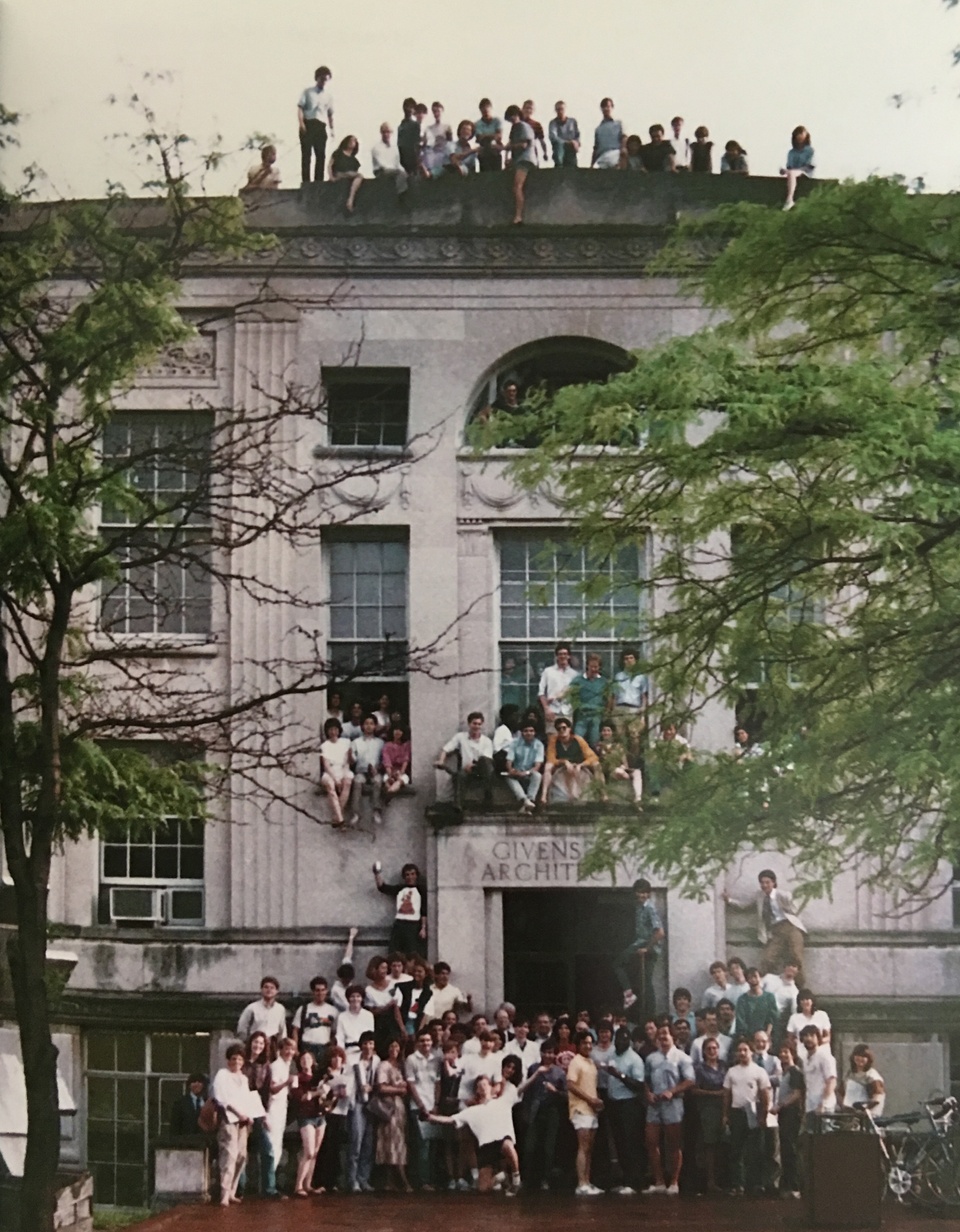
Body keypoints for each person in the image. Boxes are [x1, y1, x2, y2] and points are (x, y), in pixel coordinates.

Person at [429, 1075, 521, 1195]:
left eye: (485, 1084)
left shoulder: (502, 1102)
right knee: (482, 1188)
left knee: (508, 1146)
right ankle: (501, 1177)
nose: (483, 1088)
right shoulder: (471, 1111)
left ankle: (516, 1179)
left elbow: (519, 1088)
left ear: (491, 1087)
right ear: (477, 1090)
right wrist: (431, 1118)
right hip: (486, 1149)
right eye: (479, 1086)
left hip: (502, 1142)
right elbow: (450, 1120)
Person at [724, 869, 807, 980]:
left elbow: (796, 908)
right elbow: (745, 905)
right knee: (767, 959)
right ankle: (766, 984)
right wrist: (729, 900)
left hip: (790, 927)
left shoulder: (782, 895)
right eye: (762, 883)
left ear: (773, 883)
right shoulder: (759, 896)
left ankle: (799, 987)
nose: (764, 885)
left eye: (767, 882)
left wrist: (789, 903)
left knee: (795, 957)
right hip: (775, 931)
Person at [212, 1043, 266, 1207]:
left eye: (240, 1059)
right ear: (228, 1060)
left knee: (242, 1156)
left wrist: (250, 1116)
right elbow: (222, 1099)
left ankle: (232, 1192)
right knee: (230, 1155)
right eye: (233, 1058)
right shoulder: (222, 1075)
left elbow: (248, 1100)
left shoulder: (243, 1079)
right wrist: (238, 1113)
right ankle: (223, 1194)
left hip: (243, 1122)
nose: (236, 1062)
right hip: (228, 1120)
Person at [644, 1024, 695, 1195]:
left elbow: (690, 1080)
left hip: (673, 1104)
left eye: (666, 1034)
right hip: (655, 1104)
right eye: (660, 1034)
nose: (663, 1037)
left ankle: (674, 1182)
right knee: (652, 1141)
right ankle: (658, 1181)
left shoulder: (682, 1057)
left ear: (673, 1036)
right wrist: (648, 1093)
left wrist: (672, 1091)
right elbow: (645, 1080)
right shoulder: (651, 1058)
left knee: (674, 1143)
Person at [600, 1026, 647, 1194]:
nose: (622, 1042)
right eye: (619, 1039)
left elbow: (639, 1085)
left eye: (625, 1039)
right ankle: (625, 1178)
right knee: (619, 1142)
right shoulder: (611, 1056)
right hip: (614, 1104)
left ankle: (634, 1182)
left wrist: (620, 1075)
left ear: (630, 1041)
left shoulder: (635, 1059)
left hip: (629, 1105)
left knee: (631, 1142)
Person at [722, 1039, 771, 1196]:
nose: (742, 1053)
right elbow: (726, 1094)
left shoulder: (759, 1071)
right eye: (740, 1050)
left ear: (751, 1052)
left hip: (753, 1112)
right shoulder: (732, 1072)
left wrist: (763, 1115)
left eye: (745, 1050)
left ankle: (756, 1183)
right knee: (736, 1149)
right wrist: (725, 1115)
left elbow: (765, 1094)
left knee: (755, 1149)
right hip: (737, 1112)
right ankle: (738, 1184)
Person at [613, 877, 664, 1016]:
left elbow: (660, 933)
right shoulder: (638, 906)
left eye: (644, 893)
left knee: (620, 965)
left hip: (647, 944)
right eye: (639, 892)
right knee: (641, 979)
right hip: (640, 942)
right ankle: (631, 996)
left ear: (648, 894)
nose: (641, 895)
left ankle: (648, 1013)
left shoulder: (649, 908)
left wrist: (647, 947)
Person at [566, 1030, 604, 1195]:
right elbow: (571, 1085)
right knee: (583, 1146)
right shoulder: (576, 1062)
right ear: (578, 1045)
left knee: (589, 1148)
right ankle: (581, 1183)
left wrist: (596, 1101)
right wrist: (589, 1099)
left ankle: (587, 1182)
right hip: (580, 1109)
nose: (588, 1046)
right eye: (584, 1043)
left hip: (592, 1110)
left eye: (590, 1043)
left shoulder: (590, 1062)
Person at [435, 711, 495, 810]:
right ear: (469, 724)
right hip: (466, 770)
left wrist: (472, 766)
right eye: (474, 723)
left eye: (479, 724)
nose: (476, 726)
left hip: (481, 770)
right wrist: (441, 760)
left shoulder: (487, 741)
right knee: (460, 775)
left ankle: (488, 799)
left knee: (485, 762)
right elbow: (445, 749)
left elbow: (486, 759)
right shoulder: (461, 737)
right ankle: (458, 806)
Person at [406, 1028, 440, 1190]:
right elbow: (411, 1085)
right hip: (418, 1107)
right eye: (422, 1041)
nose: (425, 1043)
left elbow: (438, 1083)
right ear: (417, 1043)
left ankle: (430, 1178)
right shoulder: (411, 1060)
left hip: (433, 1106)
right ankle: (422, 1181)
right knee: (422, 1145)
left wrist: (436, 1104)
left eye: (428, 1040)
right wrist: (421, 1106)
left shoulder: (436, 1059)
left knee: (432, 1145)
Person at [375, 1038, 411, 1190]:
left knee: (398, 1142)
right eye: (391, 1046)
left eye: (397, 1046)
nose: (394, 1049)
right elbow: (381, 1087)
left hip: (400, 1107)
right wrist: (399, 1090)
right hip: (389, 1106)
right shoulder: (384, 1065)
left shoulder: (401, 1065)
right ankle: (402, 1180)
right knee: (391, 1143)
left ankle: (391, 1181)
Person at [693, 1036, 727, 1193]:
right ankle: (710, 1181)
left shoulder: (724, 1067)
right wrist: (715, 1093)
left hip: (726, 1108)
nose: (712, 1051)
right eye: (709, 1049)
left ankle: (725, 1179)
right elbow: (694, 1090)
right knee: (710, 1145)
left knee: (724, 1144)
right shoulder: (699, 1069)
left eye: (715, 1048)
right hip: (708, 1109)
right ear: (704, 1052)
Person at [290, 1049, 326, 1197]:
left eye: (308, 1059)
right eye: (303, 1060)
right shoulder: (297, 1078)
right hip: (306, 1116)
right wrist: (316, 1092)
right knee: (309, 1151)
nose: (306, 1062)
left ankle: (308, 1184)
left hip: (320, 1116)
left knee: (315, 1152)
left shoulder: (318, 1078)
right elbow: (301, 1097)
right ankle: (298, 1185)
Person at [346, 1032, 379, 1193]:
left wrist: (372, 1088)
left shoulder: (377, 1061)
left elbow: (380, 1082)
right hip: (357, 1103)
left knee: (368, 1143)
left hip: (372, 1104)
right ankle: (352, 1180)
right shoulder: (353, 1061)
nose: (368, 1047)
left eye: (371, 1043)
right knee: (356, 1142)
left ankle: (363, 1178)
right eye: (365, 1043)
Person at [752, 1030, 783, 1196]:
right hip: (752, 1106)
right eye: (757, 1041)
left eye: (763, 1041)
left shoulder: (775, 1060)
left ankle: (772, 1183)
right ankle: (757, 1183)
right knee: (756, 1145)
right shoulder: (748, 1059)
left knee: (772, 1147)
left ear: (769, 1043)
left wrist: (760, 1078)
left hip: (771, 1107)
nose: (760, 1044)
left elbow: (779, 1079)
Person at [543, 717, 600, 804]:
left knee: (597, 765)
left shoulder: (578, 739)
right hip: (561, 767)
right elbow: (551, 758)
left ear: (569, 729)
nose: (562, 730)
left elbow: (592, 757)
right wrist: (564, 762)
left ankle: (603, 793)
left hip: (578, 765)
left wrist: (581, 765)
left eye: (564, 728)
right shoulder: (554, 740)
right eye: (559, 729)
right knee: (548, 766)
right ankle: (544, 796)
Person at [265, 1038, 296, 1195]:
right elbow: (272, 1089)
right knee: (272, 1146)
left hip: (281, 1110)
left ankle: (271, 1184)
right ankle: (268, 1186)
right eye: (287, 1049)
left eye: (292, 1049)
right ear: (280, 1050)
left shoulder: (286, 1066)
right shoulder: (276, 1066)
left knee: (277, 1145)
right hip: (273, 1110)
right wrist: (286, 1083)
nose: (290, 1052)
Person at [297, 66, 334, 183]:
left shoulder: (328, 96)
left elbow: (330, 114)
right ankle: (306, 181)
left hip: (321, 125)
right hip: (309, 122)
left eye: (326, 79)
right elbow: (300, 108)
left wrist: (332, 129)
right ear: (317, 78)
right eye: (322, 79)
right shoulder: (308, 92)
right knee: (307, 154)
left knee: (320, 155)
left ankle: (318, 181)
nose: (323, 82)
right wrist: (301, 123)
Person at [292, 977, 339, 1063]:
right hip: (307, 1047)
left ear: (326, 991)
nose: (320, 993)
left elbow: (334, 1033)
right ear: (313, 992)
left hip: (324, 1048)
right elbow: (295, 1030)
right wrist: (295, 1049)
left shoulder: (333, 1011)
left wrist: (331, 1049)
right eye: (317, 990)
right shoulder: (303, 1009)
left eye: (323, 990)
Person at [777, 1045, 803, 1198]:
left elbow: (797, 1094)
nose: (783, 1055)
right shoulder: (784, 1073)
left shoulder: (794, 1072)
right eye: (781, 1052)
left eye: (786, 1052)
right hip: (784, 1114)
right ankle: (787, 1185)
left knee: (791, 1149)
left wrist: (781, 1105)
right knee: (786, 1149)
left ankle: (794, 1186)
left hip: (792, 1114)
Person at [364, 955, 404, 1056]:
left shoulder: (393, 986)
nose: (385, 971)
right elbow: (372, 1011)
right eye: (382, 968)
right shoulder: (369, 990)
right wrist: (387, 1006)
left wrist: (402, 1028)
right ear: (375, 969)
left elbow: (396, 1009)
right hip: (378, 1025)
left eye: (386, 968)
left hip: (392, 1024)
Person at [799, 1025, 837, 1129]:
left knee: (824, 1139)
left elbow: (831, 1081)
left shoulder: (825, 1056)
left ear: (818, 1038)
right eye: (805, 1036)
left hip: (824, 1107)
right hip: (810, 1106)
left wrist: (823, 1103)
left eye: (812, 1035)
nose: (808, 1039)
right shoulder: (805, 1059)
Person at [596, 720, 642, 805]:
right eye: (604, 730)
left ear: (612, 732)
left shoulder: (618, 746)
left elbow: (624, 761)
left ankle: (638, 798)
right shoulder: (598, 746)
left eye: (608, 730)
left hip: (621, 769)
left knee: (637, 772)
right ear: (601, 733)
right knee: (617, 771)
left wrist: (624, 767)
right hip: (609, 771)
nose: (606, 733)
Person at [504, 104, 536, 225]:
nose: (512, 120)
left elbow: (523, 145)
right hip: (518, 160)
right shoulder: (514, 129)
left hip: (525, 160)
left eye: (512, 117)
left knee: (517, 186)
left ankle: (518, 216)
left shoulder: (523, 126)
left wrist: (506, 147)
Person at [503, 719, 544, 813]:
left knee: (537, 775)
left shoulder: (539, 745)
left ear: (535, 732)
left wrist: (526, 773)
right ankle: (525, 800)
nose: (528, 733)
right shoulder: (514, 743)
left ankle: (529, 800)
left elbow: (537, 765)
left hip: (529, 773)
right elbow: (509, 761)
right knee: (508, 776)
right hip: (517, 772)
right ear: (521, 732)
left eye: (531, 731)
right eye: (526, 731)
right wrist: (511, 770)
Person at [319, 717, 354, 827]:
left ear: (339, 730)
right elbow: (326, 765)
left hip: (343, 770)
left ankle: (337, 817)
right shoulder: (324, 746)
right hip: (331, 773)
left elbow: (349, 762)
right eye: (330, 730)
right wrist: (336, 779)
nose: (333, 732)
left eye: (335, 729)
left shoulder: (346, 742)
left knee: (348, 781)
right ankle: (340, 818)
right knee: (330, 786)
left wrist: (350, 756)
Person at [570, 653, 608, 746]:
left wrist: (605, 712)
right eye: (592, 666)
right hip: (582, 715)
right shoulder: (578, 680)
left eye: (596, 667)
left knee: (595, 741)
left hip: (596, 716)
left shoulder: (603, 681)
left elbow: (608, 698)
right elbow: (572, 696)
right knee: (578, 739)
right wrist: (577, 707)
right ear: (587, 666)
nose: (594, 669)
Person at [538, 642, 578, 726]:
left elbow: (576, 695)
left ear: (569, 656)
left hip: (568, 712)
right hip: (552, 711)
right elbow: (541, 693)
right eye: (560, 654)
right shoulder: (548, 672)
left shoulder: (574, 674)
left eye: (565, 654)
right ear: (556, 656)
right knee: (552, 738)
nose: (562, 656)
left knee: (566, 738)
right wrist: (546, 709)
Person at [734, 967, 780, 1041]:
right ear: (747, 980)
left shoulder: (769, 997)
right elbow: (741, 1021)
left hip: (767, 1037)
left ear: (760, 978)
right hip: (749, 1038)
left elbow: (773, 1018)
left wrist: (767, 1035)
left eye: (755, 976)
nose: (753, 980)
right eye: (750, 978)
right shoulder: (742, 999)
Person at [237, 976, 287, 1043]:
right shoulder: (252, 1008)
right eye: (266, 987)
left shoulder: (280, 1009)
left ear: (276, 991)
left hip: (272, 1044)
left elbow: (282, 1030)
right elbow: (242, 1028)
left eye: (272, 988)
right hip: (256, 1044)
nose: (269, 990)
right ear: (261, 989)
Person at [335, 985, 375, 1065]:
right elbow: (340, 1038)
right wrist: (342, 1055)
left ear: (362, 998)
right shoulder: (342, 1016)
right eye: (352, 997)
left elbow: (370, 1037)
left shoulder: (368, 1015)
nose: (355, 999)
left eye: (358, 996)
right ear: (348, 999)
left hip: (365, 1051)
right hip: (349, 1052)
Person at [841, 1044, 885, 1115]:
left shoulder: (872, 1076)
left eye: (864, 1056)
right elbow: (840, 1091)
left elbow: (877, 1097)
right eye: (857, 1055)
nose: (860, 1058)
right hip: (849, 1113)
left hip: (866, 1115)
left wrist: (864, 1110)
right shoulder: (849, 1074)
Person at [371, 122, 409, 196]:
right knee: (399, 173)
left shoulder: (394, 148)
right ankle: (399, 193)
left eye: (388, 132)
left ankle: (402, 192)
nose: (386, 134)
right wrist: (395, 170)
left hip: (393, 171)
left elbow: (397, 163)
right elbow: (381, 164)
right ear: (381, 133)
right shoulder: (376, 148)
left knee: (405, 174)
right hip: (381, 171)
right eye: (384, 132)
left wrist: (404, 170)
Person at [782, 125, 815, 209]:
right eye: (798, 134)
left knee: (792, 173)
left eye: (802, 134)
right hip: (793, 173)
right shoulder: (791, 152)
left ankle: (789, 199)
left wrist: (795, 171)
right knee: (791, 173)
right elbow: (790, 167)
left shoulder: (810, 150)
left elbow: (810, 166)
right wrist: (784, 171)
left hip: (806, 173)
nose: (800, 136)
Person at [328, 136, 363, 213]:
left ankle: (350, 199)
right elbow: (330, 165)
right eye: (350, 140)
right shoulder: (338, 153)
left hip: (349, 177)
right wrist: (331, 176)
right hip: (339, 174)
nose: (351, 142)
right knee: (358, 175)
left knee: (359, 177)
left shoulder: (354, 160)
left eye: (354, 141)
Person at [380, 722, 411, 807]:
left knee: (399, 781)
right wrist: (390, 775)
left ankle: (389, 793)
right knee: (387, 780)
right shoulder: (387, 746)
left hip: (402, 772)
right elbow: (387, 761)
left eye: (400, 730)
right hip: (390, 771)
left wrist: (400, 773)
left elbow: (406, 760)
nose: (398, 732)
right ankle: (388, 790)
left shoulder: (406, 745)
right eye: (396, 730)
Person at [329, 927, 359, 1013]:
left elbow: (348, 955)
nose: (347, 982)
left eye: (349, 980)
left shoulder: (350, 985)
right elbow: (346, 1007)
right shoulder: (336, 991)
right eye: (346, 980)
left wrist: (351, 937)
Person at [169, 1073, 208, 1138]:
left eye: (199, 1082)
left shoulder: (208, 1102)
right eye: (194, 1082)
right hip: (186, 1142)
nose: (197, 1084)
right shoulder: (180, 1103)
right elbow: (174, 1127)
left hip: (204, 1142)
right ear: (189, 1085)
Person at [422, 101, 453, 177]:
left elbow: (450, 142)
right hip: (433, 151)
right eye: (434, 111)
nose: (436, 114)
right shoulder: (429, 128)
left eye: (438, 111)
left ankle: (433, 173)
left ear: (442, 111)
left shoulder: (447, 127)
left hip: (443, 151)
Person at [592, 98, 625, 169]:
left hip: (615, 154)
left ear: (612, 107)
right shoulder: (598, 129)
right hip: (602, 157)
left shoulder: (618, 124)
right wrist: (591, 165)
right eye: (604, 107)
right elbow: (596, 148)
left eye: (608, 106)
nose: (606, 109)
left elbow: (624, 139)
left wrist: (622, 153)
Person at [474, 99, 505, 173]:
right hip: (484, 152)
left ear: (491, 108)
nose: (485, 111)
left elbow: (499, 136)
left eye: (487, 108)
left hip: (495, 151)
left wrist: (485, 136)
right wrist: (492, 136)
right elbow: (479, 138)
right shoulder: (477, 124)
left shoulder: (497, 121)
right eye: (483, 109)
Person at [548, 100, 580, 168]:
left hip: (571, 150)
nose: (560, 111)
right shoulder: (553, 123)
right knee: (559, 146)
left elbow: (577, 135)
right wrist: (568, 142)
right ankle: (559, 166)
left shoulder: (572, 121)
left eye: (562, 109)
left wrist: (577, 143)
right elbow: (553, 137)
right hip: (560, 150)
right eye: (558, 109)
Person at [397, 97, 422, 177]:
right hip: (403, 156)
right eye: (406, 106)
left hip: (412, 157)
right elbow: (399, 143)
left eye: (411, 107)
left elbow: (416, 142)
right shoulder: (401, 126)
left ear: (414, 110)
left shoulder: (415, 125)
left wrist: (417, 159)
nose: (408, 109)